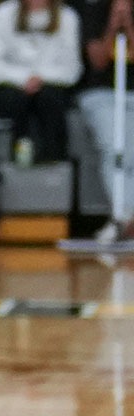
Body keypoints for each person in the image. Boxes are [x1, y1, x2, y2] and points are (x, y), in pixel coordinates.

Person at [0, 0, 82, 163]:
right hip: (10, 85)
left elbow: (72, 69)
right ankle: (18, 161)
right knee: (17, 100)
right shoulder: (3, 13)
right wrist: (23, 79)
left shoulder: (67, 17)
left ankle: (54, 162)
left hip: (52, 86)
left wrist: (40, 78)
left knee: (49, 99)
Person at [77, 0, 134, 238]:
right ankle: (125, 216)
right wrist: (113, 24)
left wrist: (127, 24)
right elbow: (98, 61)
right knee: (114, 147)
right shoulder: (94, 9)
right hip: (102, 94)